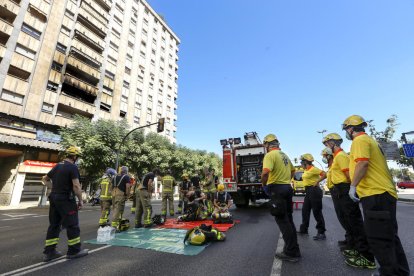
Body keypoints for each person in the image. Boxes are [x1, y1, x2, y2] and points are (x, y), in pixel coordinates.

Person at [342, 115, 409, 275]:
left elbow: (362, 163)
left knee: (379, 239)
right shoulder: (371, 140)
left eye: (346, 129)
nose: (346, 132)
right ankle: (400, 272)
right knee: (390, 237)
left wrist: (353, 186)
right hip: (383, 193)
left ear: (351, 129)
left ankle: (389, 273)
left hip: (375, 194)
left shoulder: (359, 141)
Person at [323, 132, 375, 269]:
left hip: (345, 189)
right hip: (340, 190)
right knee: (349, 221)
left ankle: (365, 254)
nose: (326, 146)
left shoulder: (340, 156)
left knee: (355, 222)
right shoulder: (337, 157)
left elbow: (348, 175)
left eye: (327, 143)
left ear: (333, 143)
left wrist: (351, 188)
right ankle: (357, 248)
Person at [41, 146, 88, 262]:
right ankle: (74, 251)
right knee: (72, 225)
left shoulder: (57, 166)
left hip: (54, 197)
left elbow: (44, 179)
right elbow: (76, 186)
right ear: (75, 156)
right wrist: (81, 200)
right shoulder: (72, 167)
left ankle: (49, 252)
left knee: (54, 225)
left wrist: (54, 188)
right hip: (66, 199)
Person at [261, 134, 300, 263]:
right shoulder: (284, 155)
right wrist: (286, 180)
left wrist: (264, 185)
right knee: (289, 219)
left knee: (283, 221)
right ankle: (294, 249)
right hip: (287, 188)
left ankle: (291, 252)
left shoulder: (270, 155)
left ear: (267, 145)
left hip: (277, 189)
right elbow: (293, 171)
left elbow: (265, 172)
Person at [297, 153, 327, 241]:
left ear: (305, 162)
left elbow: (324, 174)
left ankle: (321, 232)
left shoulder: (313, 169)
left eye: (302, 162)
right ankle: (304, 229)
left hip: (314, 191)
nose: (301, 164)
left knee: (317, 212)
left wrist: (317, 181)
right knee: (305, 210)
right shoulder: (306, 170)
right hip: (308, 191)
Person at [111, 166, 131, 230]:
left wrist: (112, 193)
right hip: (120, 194)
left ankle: (117, 222)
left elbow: (111, 186)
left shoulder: (114, 176)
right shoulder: (126, 177)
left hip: (114, 193)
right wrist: (127, 195)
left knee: (115, 208)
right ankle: (115, 225)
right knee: (118, 209)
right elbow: (128, 187)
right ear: (126, 171)